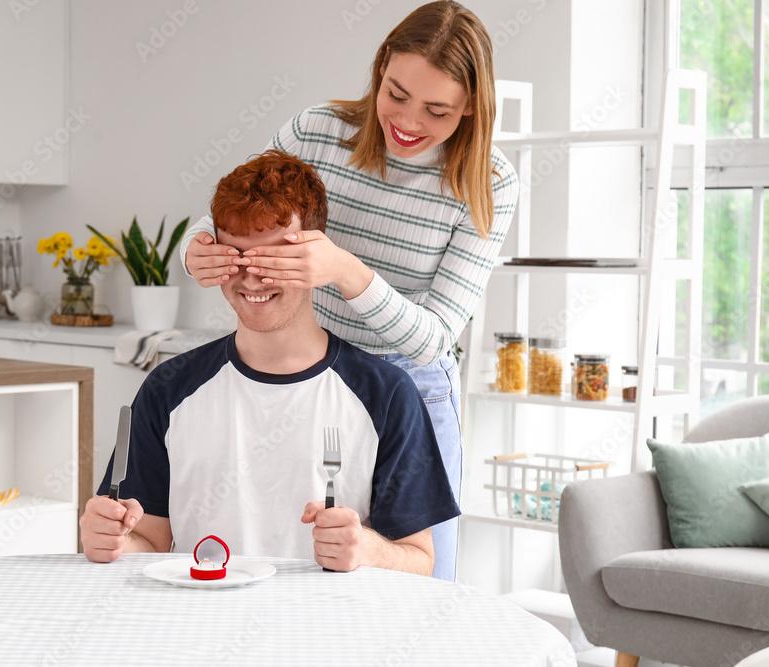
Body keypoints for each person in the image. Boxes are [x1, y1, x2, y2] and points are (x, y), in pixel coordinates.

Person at [179, 1, 518, 581]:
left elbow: (432, 339)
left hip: (411, 386)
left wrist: (344, 269)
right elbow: (242, 208)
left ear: (472, 108)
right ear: (380, 67)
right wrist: (197, 247)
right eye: (396, 94)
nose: (408, 122)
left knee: (422, 585)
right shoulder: (318, 131)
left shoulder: (486, 183)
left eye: (438, 110)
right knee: (312, 564)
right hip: (312, 377)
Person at [81, 150, 459, 576]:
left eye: (274, 259)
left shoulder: (386, 394)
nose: (252, 278)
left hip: (331, 633)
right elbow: (148, 541)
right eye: (237, 257)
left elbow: (422, 561)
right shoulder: (168, 387)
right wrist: (112, 540)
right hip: (197, 624)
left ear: (314, 257)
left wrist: (366, 549)